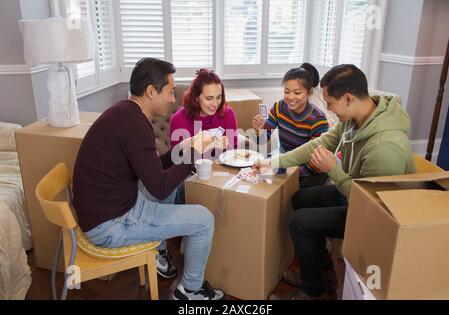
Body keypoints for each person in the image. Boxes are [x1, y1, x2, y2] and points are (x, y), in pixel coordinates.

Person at [253, 64, 416, 300]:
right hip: (353, 192)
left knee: (299, 222)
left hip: (377, 217)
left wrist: (334, 170)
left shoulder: (384, 147)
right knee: (299, 198)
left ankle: (312, 291)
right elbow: (315, 146)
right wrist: (273, 162)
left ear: (348, 98)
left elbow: (373, 206)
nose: (328, 108)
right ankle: (322, 269)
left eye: (330, 103)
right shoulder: (356, 116)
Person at [72, 57, 225, 300]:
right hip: (110, 224)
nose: (173, 99)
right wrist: (195, 153)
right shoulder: (134, 124)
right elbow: (160, 187)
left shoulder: (124, 113)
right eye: (170, 92)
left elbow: (151, 169)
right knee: (204, 220)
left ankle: (161, 256)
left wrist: (182, 149)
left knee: (171, 189)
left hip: (106, 209)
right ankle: (190, 290)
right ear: (151, 91)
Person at [251, 63, 329, 187]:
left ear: (308, 92)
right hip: (285, 160)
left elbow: (316, 164)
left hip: (309, 170)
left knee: (291, 190)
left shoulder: (318, 120)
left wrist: (285, 171)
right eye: (286, 92)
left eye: (297, 93)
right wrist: (257, 130)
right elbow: (261, 140)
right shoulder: (279, 107)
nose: (290, 97)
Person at [169, 68, 238, 156]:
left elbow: (234, 152)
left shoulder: (228, 114)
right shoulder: (178, 120)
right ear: (196, 97)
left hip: (222, 168)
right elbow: (178, 160)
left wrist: (226, 147)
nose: (215, 104)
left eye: (218, 97)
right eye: (209, 98)